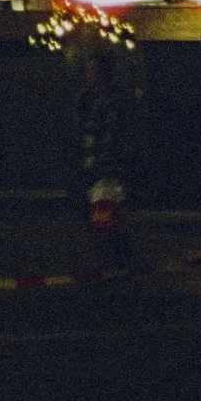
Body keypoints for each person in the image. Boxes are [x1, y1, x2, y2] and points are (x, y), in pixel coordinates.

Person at [76, 51, 128, 267]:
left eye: (93, 70)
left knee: (105, 215)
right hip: (90, 163)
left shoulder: (111, 99)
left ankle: (111, 259)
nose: (90, 75)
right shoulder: (88, 98)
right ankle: (111, 258)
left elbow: (111, 133)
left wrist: (107, 164)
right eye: (88, 70)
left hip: (104, 166)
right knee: (98, 213)